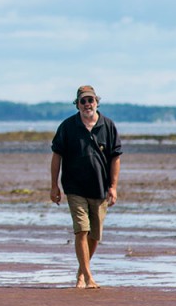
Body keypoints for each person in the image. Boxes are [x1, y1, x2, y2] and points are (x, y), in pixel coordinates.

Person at [49, 85, 122, 289]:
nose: (87, 104)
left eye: (90, 100)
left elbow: (115, 158)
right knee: (81, 230)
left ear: (96, 102)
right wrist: (54, 186)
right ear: (77, 104)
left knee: (94, 235)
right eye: (83, 101)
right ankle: (88, 277)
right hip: (74, 188)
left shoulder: (108, 126)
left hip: (99, 188)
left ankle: (81, 272)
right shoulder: (67, 126)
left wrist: (113, 187)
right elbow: (57, 156)